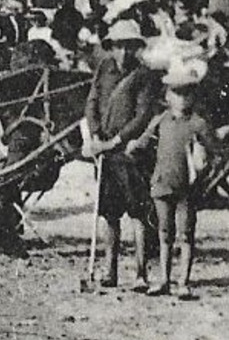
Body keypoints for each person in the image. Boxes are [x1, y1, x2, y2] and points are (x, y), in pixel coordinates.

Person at [128, 60, 220, 298]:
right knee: (164, 232)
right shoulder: (160, 121)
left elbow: (215, 153)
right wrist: (131, 147)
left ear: (193, 96)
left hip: (187, 187)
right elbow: (142, 144)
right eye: (176, 93)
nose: (181, 98)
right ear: (167, 95)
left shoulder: (199, 124)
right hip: (162, 183)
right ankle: (165, 280)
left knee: (186, 233)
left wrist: (203, 165)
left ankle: (183, 282)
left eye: (186, 93)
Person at [81, 19, 162, 291]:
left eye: (128, 47)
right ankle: (110, 270)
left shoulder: (145, 76)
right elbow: (91, 102)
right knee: (109, 213)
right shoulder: (104, 68)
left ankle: (140, 273)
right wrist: (94, 135)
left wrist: (115, 141)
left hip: (129, 154)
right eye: (118, 47)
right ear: (111, 47)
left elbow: (142, 116)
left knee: (138, 213)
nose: (123, 53)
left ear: (136, 48)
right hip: (104, 153)